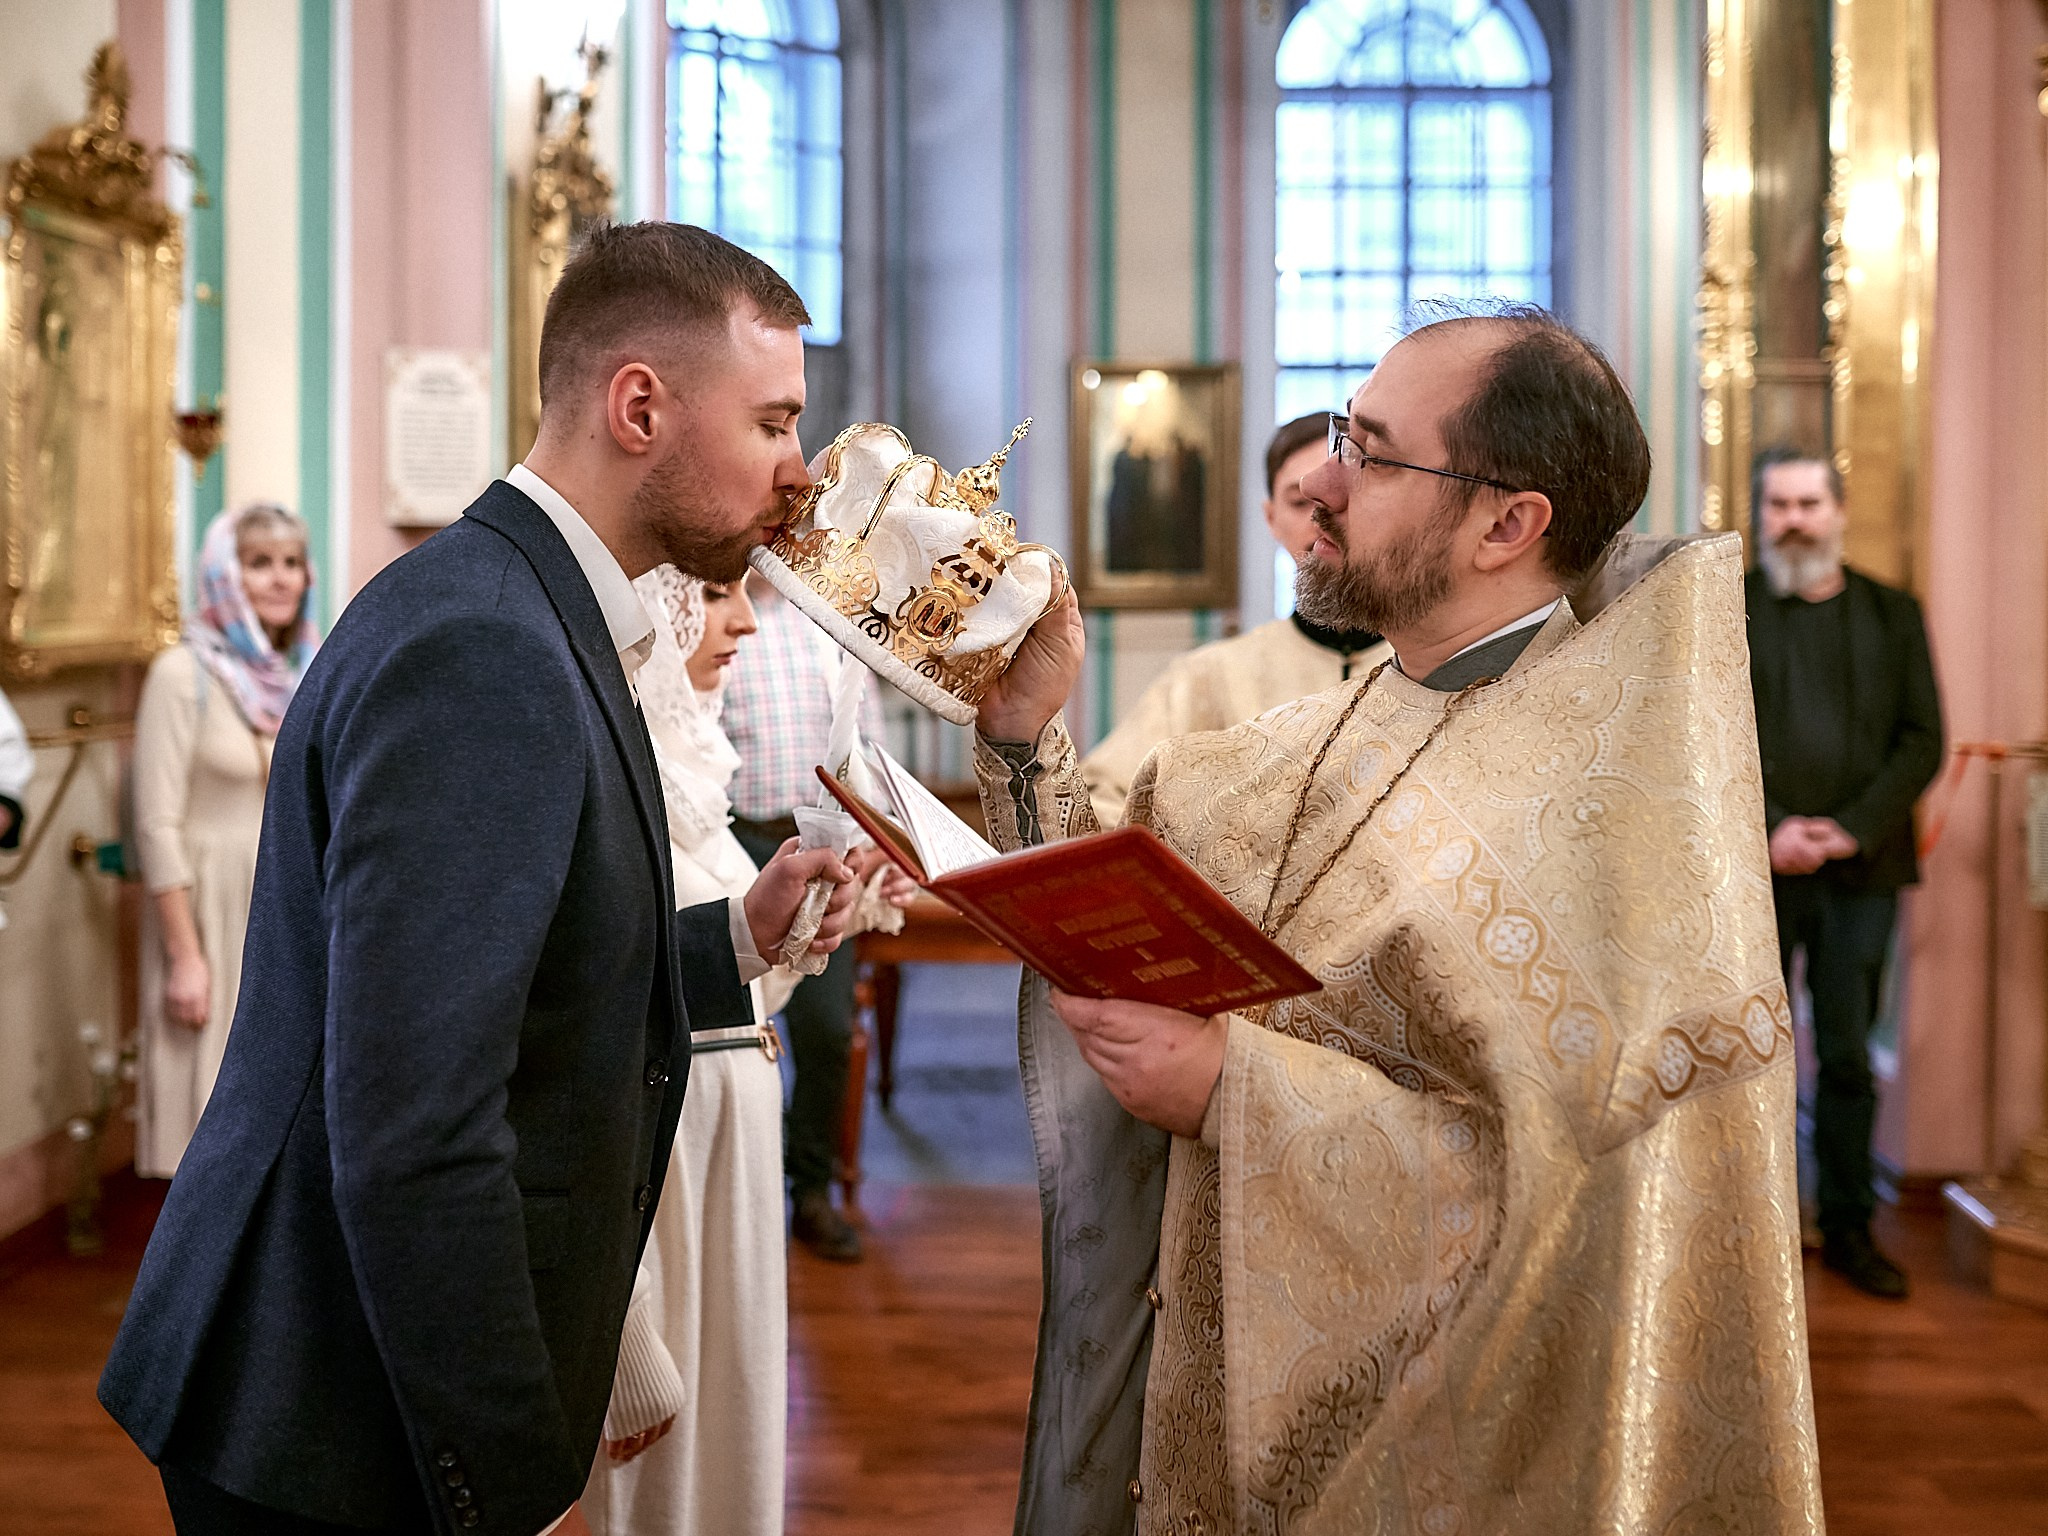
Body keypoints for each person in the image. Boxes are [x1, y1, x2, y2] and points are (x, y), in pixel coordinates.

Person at [973, 302, 1823, 1533]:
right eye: (1339, 433)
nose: (1318, 483)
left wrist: (1232, 1089)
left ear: (1505, 522)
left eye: (1369, 449)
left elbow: (1578, 1209)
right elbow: (1102, 904)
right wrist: (1017, 734)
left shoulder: (1608, 821)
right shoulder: (1312, 732)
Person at [100, 222, 861, 1535]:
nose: (795, 474)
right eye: (775, 423)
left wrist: (735, 933)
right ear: (641, 406)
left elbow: (522, 982)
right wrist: (505, 1470)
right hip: (326, 1401)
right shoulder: (486, 647)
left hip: (357, 1373)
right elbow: (417, 1129)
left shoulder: (539, 606)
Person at [1746, 446, 1943, 1299]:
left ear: (1837, 512)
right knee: (1746, 1056)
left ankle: (1853, 1228)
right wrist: (1775, 827)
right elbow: (1699, 734)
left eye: (1808, 504)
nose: (1794, 520)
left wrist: (1849, 831)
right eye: (1779, 505)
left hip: (1861, 872)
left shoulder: (1894, 614)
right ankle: (1751, 1237)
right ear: (1760, 517)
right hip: (1752, 872)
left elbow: (1922, 739)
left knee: (1848, 1057)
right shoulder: (1729, 610)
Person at [1081, 413, 1392, 824]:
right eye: (1299, 501)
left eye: (1345, 494)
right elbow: (1099, 802)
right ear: (1270, 518)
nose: (1321, 517)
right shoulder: (1209, 676)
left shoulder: (1432, 666)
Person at [131, 503, 317, 1178]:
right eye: (258, 563)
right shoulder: (183, 675)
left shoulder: (302, 672)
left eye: (291, 562)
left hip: (277, 916)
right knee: (202, 1124)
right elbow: (155, 825)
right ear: (223, 576)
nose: (279, 579)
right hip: (206, 915)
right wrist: (186, 957)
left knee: (270, 1130)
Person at [721, 572, 883, 1262]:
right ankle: (734, 1199)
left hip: (820, 847)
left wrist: (873, 830)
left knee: (824, 1031)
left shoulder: (829, 622)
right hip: (733, 843)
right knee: (728, 1033)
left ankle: (809, 1189)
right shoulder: (710, 610)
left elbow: (863, 739)